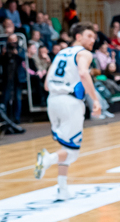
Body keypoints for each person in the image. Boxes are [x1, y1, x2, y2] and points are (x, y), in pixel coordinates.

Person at [36, 23, 103, 201]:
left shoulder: (60, 53)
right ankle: (48, 159)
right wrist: (95, 99)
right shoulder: (84, 53)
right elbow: (83, 73)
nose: (93, 40)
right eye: (89, 36)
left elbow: (46, 84)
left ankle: (62, 189)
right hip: (70, 103)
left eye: (94, 37)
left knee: (66, 147)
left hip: (53, 101)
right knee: (72, 152)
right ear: (78, 37)